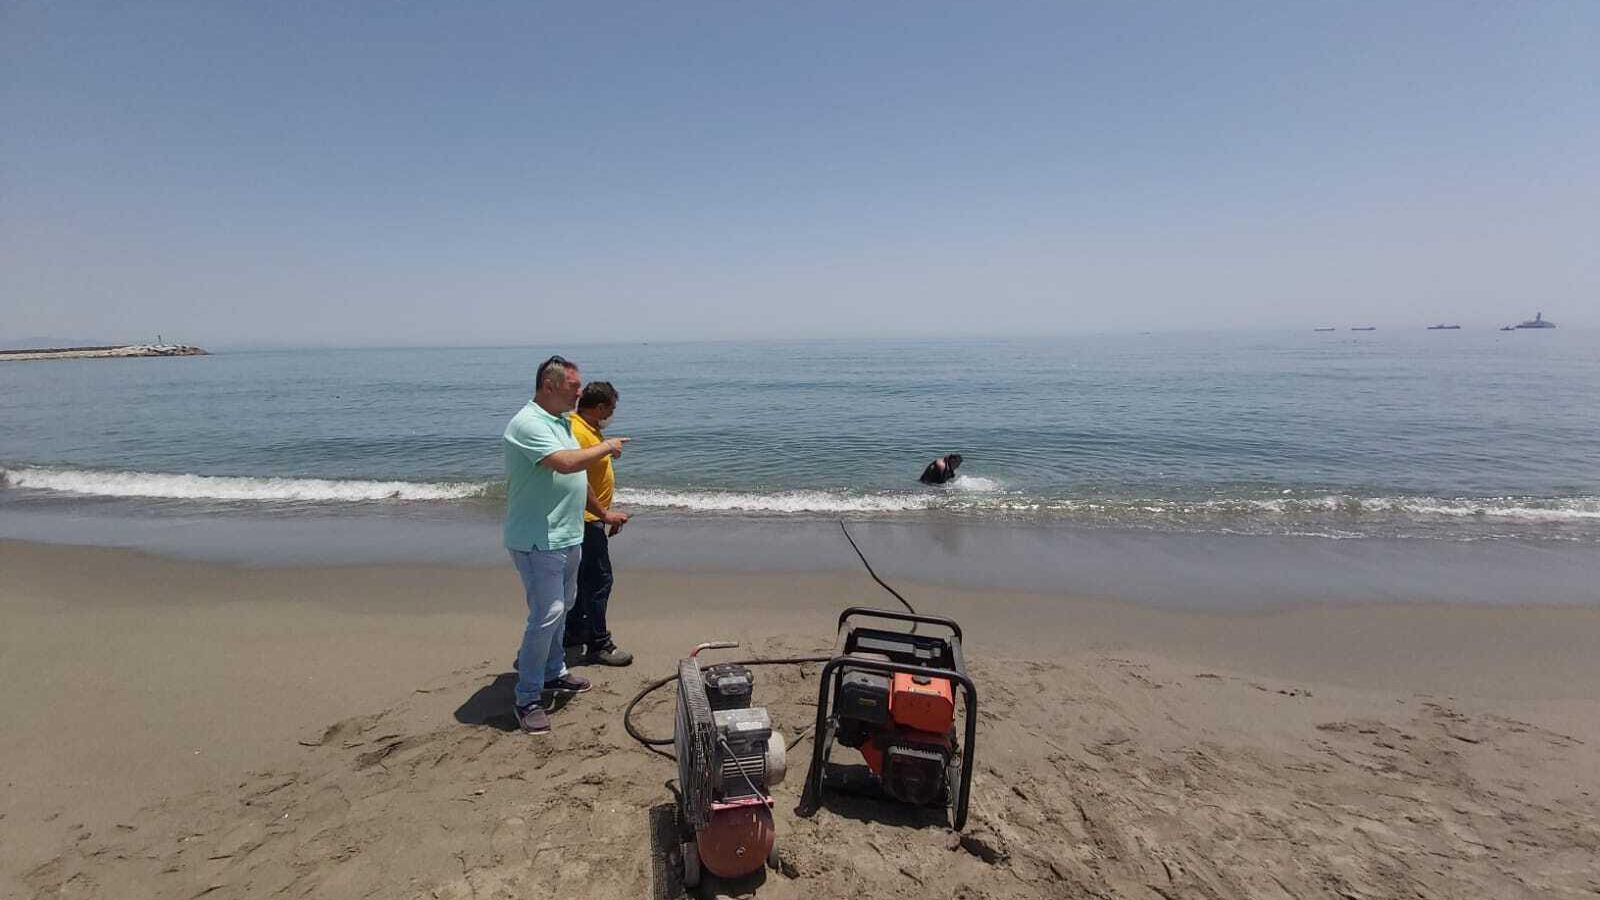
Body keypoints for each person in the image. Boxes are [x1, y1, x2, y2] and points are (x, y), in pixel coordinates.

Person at [502, 355, 629, 735]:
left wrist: (602, 514)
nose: (580, 391)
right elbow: (566, 464)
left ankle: (554, 671)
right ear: (550, 385)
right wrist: (606, 447)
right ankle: (526, 696)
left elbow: (577, 481)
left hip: (568, 532)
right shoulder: (527, 423)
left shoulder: (559, 422)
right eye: (574, 386)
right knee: (547, 614)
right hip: (538, 538)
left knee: (565, 606)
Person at [564, 381, 634, 666]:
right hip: (586, 520)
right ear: (601, 407)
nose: (613, 413)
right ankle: (599, 643)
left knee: (581, 580)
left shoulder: (586, 427)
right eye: (612, 408)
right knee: (599, 581)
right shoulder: (579, 432)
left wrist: (606, 446)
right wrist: (605, 516)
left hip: (589, 517)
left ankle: (575, 630)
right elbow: (578, 482)